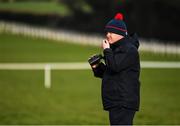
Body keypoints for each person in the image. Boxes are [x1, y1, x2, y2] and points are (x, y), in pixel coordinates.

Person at [88, 13, 140, 125]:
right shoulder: (117, 49)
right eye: (107, 32)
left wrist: (107, 51)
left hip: (123, 101)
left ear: (120, 33)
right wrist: (96, 66)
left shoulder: (129, 50)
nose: (107, 35)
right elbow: (110, 72)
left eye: (111, 32)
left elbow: (115, 67)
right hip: (117, 100)